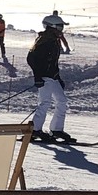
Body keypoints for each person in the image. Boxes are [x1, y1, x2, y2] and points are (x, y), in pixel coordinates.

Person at [28, 12, 74, 143]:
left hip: (52, 77)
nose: (61, 30)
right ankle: (35, 130)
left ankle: (56, 130)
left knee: (62, 101)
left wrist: (58, 77)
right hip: (44, 77)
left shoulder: (54, 40)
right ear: (52, 27)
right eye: (60, 27)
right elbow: (31, 58)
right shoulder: (44, 41)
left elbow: (52, 62)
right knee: (45, 102)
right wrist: (38, 76)